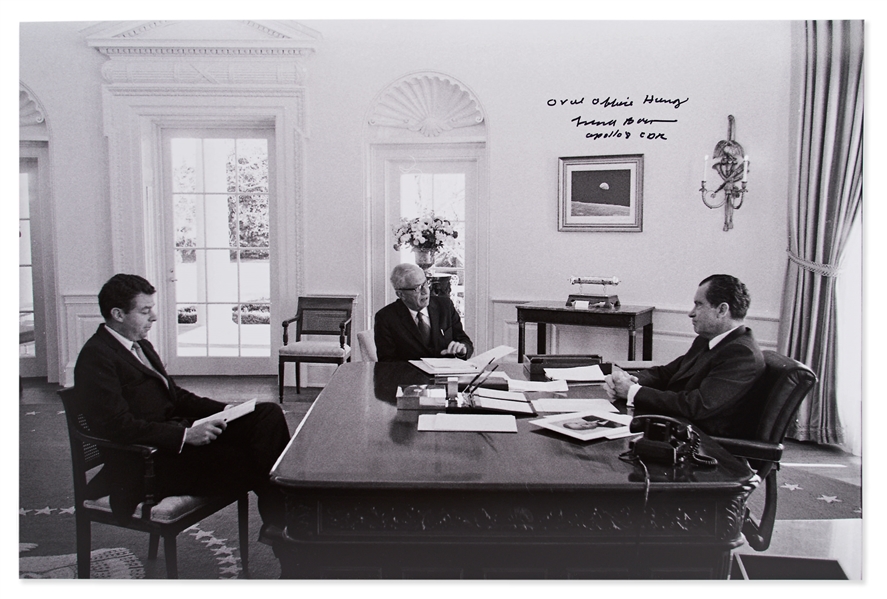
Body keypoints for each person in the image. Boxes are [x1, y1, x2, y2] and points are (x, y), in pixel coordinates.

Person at [73, 274, 290, 543]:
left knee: (266, 413)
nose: (153, 317)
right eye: (145, 311)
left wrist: (228, 409)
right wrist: (185, 436)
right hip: (146, 462)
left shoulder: (140, 345)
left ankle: (280, 524)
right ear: (117, 314)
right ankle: (285, 525)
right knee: (250, 458)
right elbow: (118, 426)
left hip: (173, 444)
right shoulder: (96, 357)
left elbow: (175, 397)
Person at [605, 274, 765, 438]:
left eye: (699, 305)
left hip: (705, 444)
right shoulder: (706, 340)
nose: (691, 313)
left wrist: (633, 392)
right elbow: (666, 373)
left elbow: (696, 406)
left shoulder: (741, 354)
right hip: (678, 427)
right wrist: (628, 380)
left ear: (722, 310)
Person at [374, 263, 474, 362]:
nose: (425, 291)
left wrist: (462, 350)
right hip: (409, 377)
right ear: (401, 294)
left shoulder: (445, 306)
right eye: (417, 288)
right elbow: (387, 363)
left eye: (425, 283)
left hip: (444, 375)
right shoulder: (386, 318)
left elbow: (464, 341)